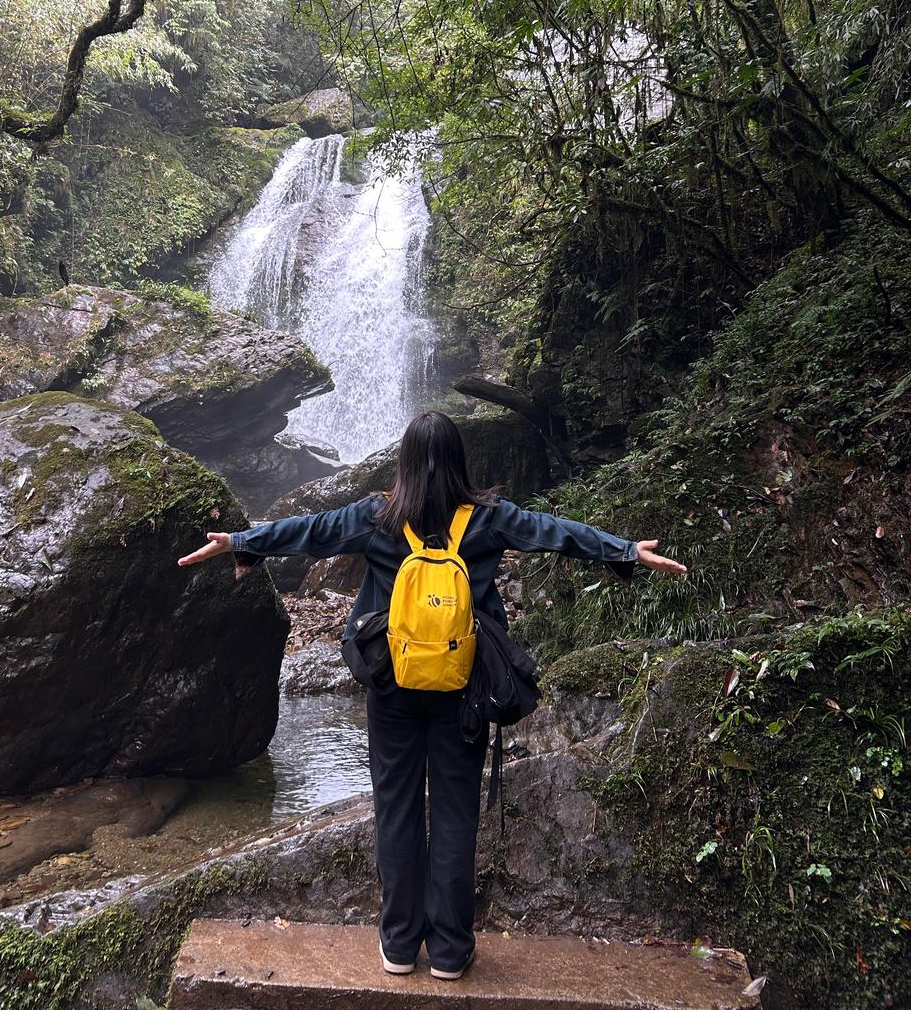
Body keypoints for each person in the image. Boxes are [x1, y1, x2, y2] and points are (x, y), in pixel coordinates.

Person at [176, 410, 686, 981]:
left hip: (392, 686)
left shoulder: (377, 517)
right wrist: (623, 550)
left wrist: (242, 542)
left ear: (405, 462)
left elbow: (311, 531)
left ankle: (397, 947)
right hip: (464, 687)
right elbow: (553, 531)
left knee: (395, 810)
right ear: (459, 461)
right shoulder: (489, 519)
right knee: (453, 813)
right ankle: (448, 951)